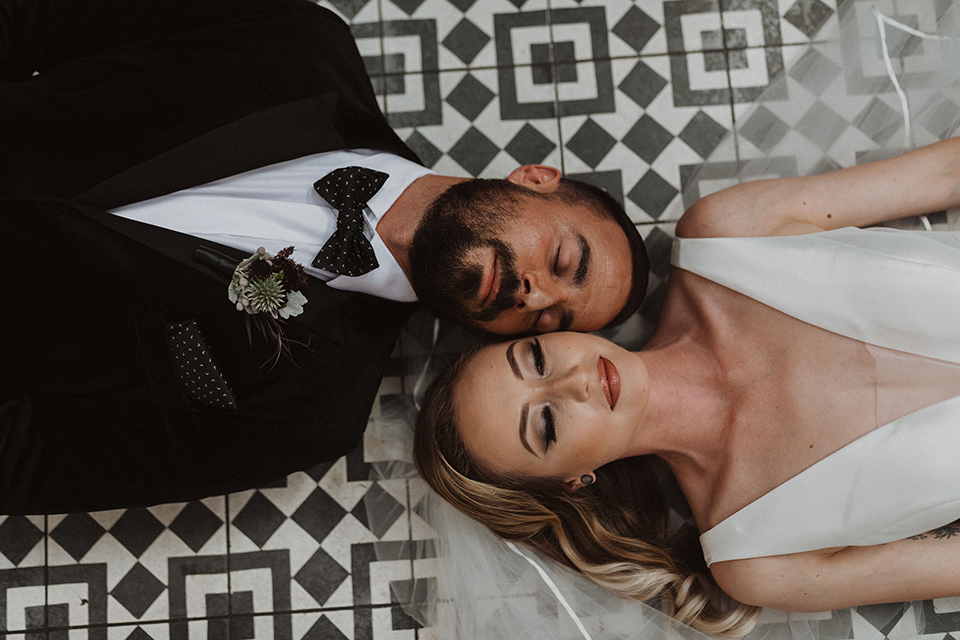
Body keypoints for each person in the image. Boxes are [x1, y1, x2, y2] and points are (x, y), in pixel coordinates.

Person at [0, 0, 647, 514]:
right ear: (534, 179)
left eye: (546, 324)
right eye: (564, 261)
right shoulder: (301, 44)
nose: (535, 296)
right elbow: (36, 19)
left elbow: (30, 463)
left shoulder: (314, 414)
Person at [414, 133, 960, 637]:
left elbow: (945, 172)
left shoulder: (724, 236)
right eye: (547, 423)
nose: (574, 381)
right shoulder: (757, 559)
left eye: (534, 358)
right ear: (573, 482)